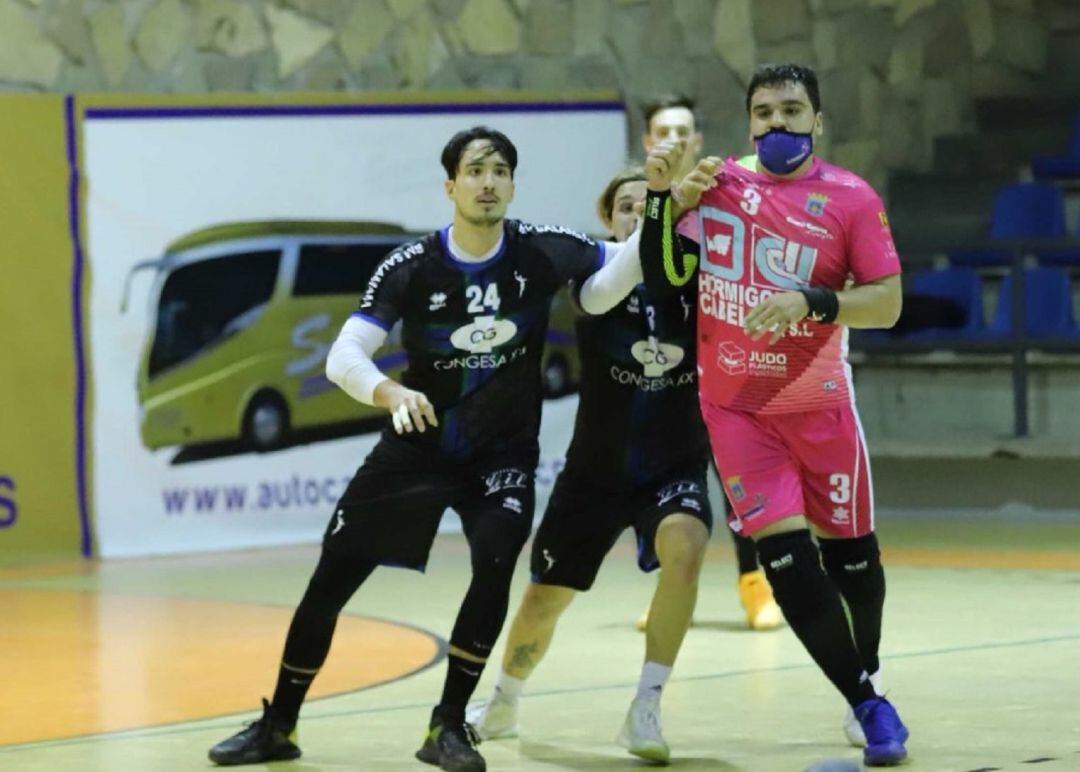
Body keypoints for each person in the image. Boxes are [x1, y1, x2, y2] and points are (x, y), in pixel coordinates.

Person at [207, 126, 647, 772]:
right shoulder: (410, 266)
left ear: (512, 184)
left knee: (496, 560)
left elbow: (606, 287)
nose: (488, 181)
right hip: (416, 448)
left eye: (500, 170)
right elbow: (343, 356)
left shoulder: (541, 251)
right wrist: (387, 393)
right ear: (451, 186)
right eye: (475, 170)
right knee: (333, 576)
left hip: (502, 456)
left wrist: (663, 208)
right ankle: (279, 723)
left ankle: (448, 726)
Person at [639, 64, 910, 767]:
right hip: (737, 411)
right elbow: (666, 275)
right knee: (786, 559)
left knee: (856, 565)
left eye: (793, 111)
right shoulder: (716, 183)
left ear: (817, 121)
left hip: (821, 409)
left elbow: (887, 305)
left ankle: (868, 670)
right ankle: (866, 703)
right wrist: (667, 200)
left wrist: (812, 302)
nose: (778, 124)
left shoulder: (851, 199)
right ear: (748, 121)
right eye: (764, 112)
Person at [467, 166, 712, 763]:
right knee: (542, 600)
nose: (637, 213)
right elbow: (613, 278)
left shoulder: (699, 277)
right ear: (610, 220)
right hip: (594, 474)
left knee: (687, 547)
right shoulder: (591, 274)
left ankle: (646, 707)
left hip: (673, 464)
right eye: (626, 206)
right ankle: (503, 699)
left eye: (646, 205)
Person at [638, 93, 782, 631]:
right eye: (663, 131)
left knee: (737, 479)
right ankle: (668, 589)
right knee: (668, 482)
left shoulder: (728, 196)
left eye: (684, 131)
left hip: (728, 363)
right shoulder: (642, 200)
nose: (674, 140)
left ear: (698, 139)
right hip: (665, 367)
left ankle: (756, 585)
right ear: (647, 142)